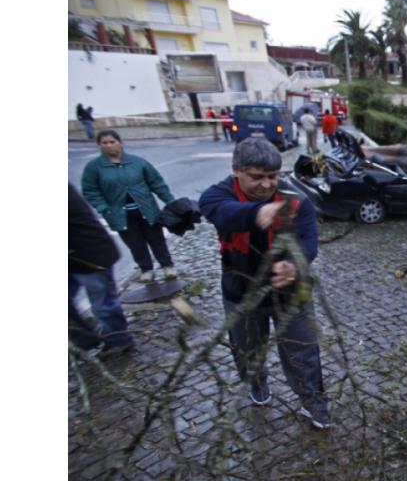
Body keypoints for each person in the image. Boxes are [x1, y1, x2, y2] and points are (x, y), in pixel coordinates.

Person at [198, 138, 332, 429]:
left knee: (304, 350)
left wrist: (294, 265)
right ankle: (257, 383)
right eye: (257, 177)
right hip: (240, 292)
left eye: (273, 176)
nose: (266, 185)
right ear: (236, 170)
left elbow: (309, 242)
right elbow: (218, 211)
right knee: (247, 348)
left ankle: (314, 403)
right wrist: (256, 213)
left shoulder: (297, 199)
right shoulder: (216, 194)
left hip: (292, 292)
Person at [81, 130, 178, 283]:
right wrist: (103, 208)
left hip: (146, 209)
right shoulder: (94, 167)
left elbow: (156, 183)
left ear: (120, 143)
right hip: (119, 214)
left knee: (156, 239)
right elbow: (90, 190)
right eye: (104, 143)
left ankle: (167, 266)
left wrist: (171, 202)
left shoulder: (137, 162)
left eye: (112, 142)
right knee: (135, 244)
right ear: (99, 146)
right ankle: (146, 269)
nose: (109, 145)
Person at [69, 183, 135, 355]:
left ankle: (119, 340)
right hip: (75, 258)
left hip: (91, 254)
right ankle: (84, 339)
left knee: (103, 304)